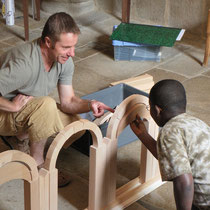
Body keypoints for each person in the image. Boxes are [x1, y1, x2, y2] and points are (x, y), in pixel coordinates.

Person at [0, 12, 114, 168]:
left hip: (26, 108)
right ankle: (38, 164)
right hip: (4, 112)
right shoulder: (24, 65)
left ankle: (20, 137)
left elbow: (68, 102)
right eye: (66, 47)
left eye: (73, 46)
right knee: (46, 106)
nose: (72, 53)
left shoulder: (64, 61)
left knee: (77, 126)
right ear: (48, 42)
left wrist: (90, 104)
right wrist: (13, 106)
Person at [130, 79, 210, 210]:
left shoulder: (168, 132)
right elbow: (171, 158)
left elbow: (184, 182)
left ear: (157, 110)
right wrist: (143, 135)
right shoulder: (196, 123)